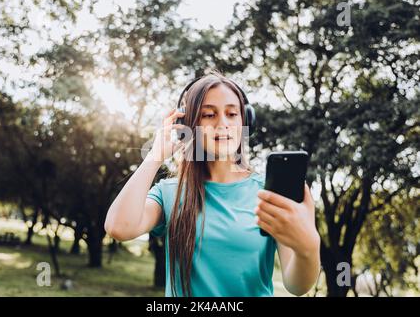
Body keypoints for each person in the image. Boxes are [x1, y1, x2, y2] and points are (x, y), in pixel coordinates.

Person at [105, 70, 321, 297]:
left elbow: (297, 286)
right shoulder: (170, 193)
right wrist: (155, 155)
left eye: (232, 114)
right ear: (187, 125)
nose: (222, 124)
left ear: (245, 121)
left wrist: (308, 247)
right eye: (209, 115)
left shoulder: (266, 193)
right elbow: (119, 227)